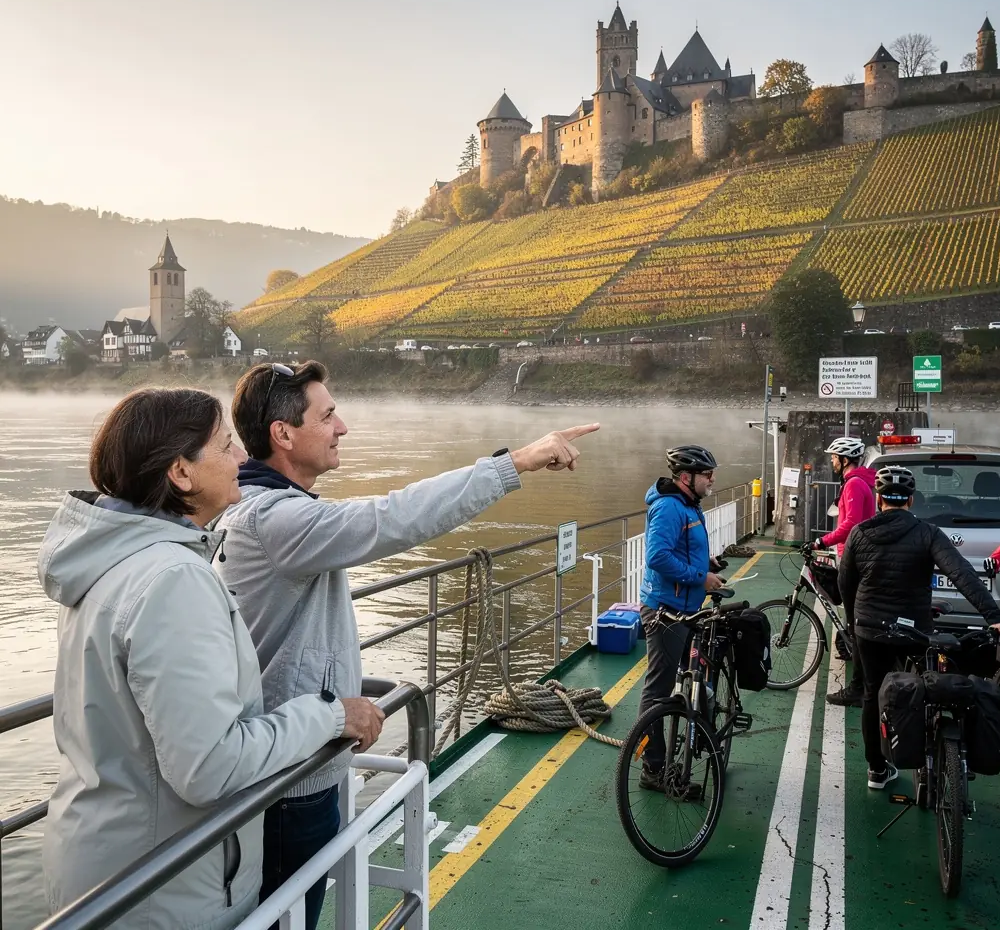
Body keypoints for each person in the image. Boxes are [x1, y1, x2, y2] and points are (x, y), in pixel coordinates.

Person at [216, 361, 598, 926]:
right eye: (327, 415)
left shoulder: (259, 511)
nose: (342, 426)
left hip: (297, 762)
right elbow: (394, 517)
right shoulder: (274, 520)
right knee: (286, 915)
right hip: (289, 782)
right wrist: (515, 463)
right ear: (283, 433)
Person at [39, 388, 347, 930]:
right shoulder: (172, 578)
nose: (242, 461)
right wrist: (332, 715)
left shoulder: (109, 561)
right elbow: (210, 767)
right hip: (164, 889)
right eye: (226, 446)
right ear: (182, 472)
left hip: (107, 865)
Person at [838, 465, 1000, 791]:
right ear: (911, 499)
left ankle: (877, 771)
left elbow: (846, 584)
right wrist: (993, 616)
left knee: (871, 693)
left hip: (870, 629)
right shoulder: (927, 533)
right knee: (924, 689)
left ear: (878, 499)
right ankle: (927, 758)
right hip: (914, 630)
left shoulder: (860, 534)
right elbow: (962, 574)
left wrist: (854, 623)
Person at [636, 444, 725, 790]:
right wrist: (699, 577)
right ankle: (652, 767)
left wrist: (707, 564)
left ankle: (683, 738)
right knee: (657, 689)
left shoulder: (689, 504)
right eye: (707, 474)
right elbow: (658, 557)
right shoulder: (671, 508)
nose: (712, 479)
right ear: (686, 477)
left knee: (684, 676)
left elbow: (681, 551)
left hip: (685, 609)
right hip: (665, 611)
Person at [804, 437, 876, 708]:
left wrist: (821, 541)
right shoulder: (859, 482)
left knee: (855, 624)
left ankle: (858, 688)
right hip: (858, 556)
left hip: (853, 558)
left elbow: (851, 525)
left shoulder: (854, 484)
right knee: (854, 620)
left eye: (835, 457)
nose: (832, 461)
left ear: (845, 460)